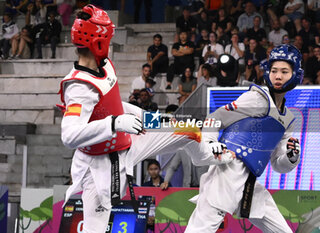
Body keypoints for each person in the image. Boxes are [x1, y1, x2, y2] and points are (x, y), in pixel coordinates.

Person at [60, 5, 235, 233]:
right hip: (100, 164)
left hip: (129, 140)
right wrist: (114, 123)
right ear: (99, 41)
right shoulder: (79, 86)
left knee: (189, 130)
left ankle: (212, 154)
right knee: (95, 228)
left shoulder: (104, 65)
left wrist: (146, 117)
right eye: (108, 38)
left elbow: (111, 104)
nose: (111, 43)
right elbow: (69, 135)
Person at [185, 44, 302, 233]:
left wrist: (291, 158)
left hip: (250, 184)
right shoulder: (257, 99)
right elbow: (214, 118)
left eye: (284, 71)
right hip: (224, 175)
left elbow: (278, 165)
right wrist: (210, 144)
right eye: (274, 71)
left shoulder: (288, 120)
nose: (278, 76)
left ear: (295, 74)